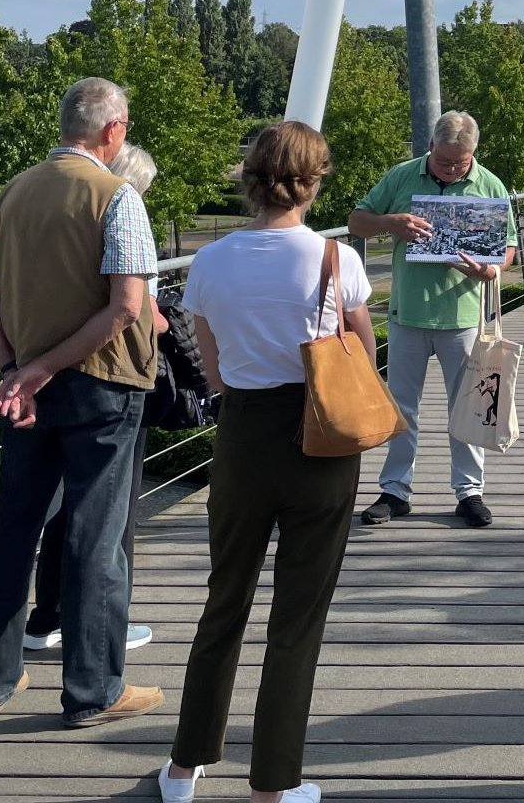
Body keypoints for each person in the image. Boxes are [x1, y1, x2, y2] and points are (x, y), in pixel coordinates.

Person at [156, 122, 371, 803]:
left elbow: (212, 366)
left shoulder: (211, 262)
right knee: (297, 619)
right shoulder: (337, 260)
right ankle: (273, 786)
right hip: (321, 440)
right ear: (314, 182)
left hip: (243, 434)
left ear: (249, 179)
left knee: (225, 600)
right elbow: (363, 358)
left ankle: (184, 769)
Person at [0, 77, 164, 727]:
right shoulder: (117, 197)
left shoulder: (14, 194)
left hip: (26, 389)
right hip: (102, 387)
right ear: (113, 130)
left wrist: (14, 371)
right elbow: (127, 306)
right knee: (94, 539)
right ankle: (93, 691)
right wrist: (45, 367)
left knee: (17, 531)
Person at [20, 142, 167, 655]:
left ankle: (44, 618)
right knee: (107, 516)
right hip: (110, 379)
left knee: (55, 514)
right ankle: (100, 639)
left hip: (43, 373)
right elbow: (135, 310)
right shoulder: (121, 209)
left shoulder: (35, 203)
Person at [347, 111, 518, 528]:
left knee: (470, 406)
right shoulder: (402, 176)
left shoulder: (490, 185)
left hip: (463, 317)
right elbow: (357, 221)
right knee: (402, 406)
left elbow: (509, 249)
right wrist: (389, 222)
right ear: (430, 147)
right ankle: (395, 490)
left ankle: (469, 491)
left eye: (461, 162)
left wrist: (489, 270)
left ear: (473, 153)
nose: (452, 169)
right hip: (407, 312)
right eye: (444, 161)